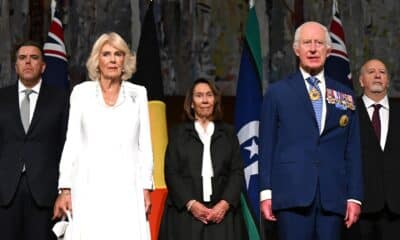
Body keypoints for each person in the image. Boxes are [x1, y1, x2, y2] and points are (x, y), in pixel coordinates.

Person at [259, 21, 363, 240]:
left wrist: (354, 197)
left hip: (333, 197)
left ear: (328, 50)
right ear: (297, 49)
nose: (313, 48)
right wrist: (266, 193)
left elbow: (352, 151)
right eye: (307, 43)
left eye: (319, 43)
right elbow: (267, 146)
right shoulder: (277, 93)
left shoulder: (345, 95)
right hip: (291, 195)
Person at [53, 32, 153, 239]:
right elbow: (71, 143)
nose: (113, 60)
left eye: (118, 54)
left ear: (125, 60)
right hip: (89, 184)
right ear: (97, 60)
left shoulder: (138, 94)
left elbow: (145, 145)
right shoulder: (81, 93)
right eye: (106, 54)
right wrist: (65, 188)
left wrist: (145, 187)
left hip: (127, 186)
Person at [159, 78, 247, 240]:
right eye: (199, 96)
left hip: (223, 216)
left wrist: (224, 204)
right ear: (191, 103)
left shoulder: (228, 133)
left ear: (215, 100)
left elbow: (237, 171)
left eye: (209, 95)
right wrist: (191, 204)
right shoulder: (178, 134)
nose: (205, 100)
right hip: (186, 217)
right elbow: (171, 172)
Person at [0, 40, 69, 240]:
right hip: (5, 193)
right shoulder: (1, 98)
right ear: (16, 66)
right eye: (22, 58)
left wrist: (64, 191)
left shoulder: (61, 98)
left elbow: (67, 145)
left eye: (34, 58)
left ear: (43, 66)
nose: (28, 62)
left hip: (45, 194)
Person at [347, 59, 400, 240]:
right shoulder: (349, 111)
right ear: (361, 81)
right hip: (358, 208)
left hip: (395, 209)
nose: (377, 75)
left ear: (387, 81)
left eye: (382, 72)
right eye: (371, 72)